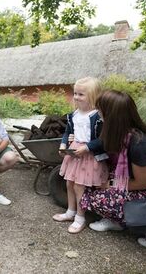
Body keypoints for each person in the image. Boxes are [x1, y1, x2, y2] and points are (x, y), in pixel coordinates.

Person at [80, 90, 146, 249]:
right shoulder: (123, 134)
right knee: (91, 184)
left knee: (97, 198)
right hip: (130, 181)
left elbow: (143, 183)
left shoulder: (140, 144)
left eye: (100, 110)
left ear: (111, 116)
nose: (98, 114)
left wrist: (111, 183)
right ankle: (118, 221)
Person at [52, 77, 109, 234]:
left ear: (93, 96)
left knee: (79, 186)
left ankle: (80, 217)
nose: (76, 97)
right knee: (69, 183)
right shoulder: (74, 115)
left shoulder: (98, 116)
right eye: (75, 93)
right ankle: (70, 211)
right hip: (75, 152)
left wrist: (87, 147)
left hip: (89, 156)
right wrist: (64, 145)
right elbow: (68, 132)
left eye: (81, 94)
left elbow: (103, 139)